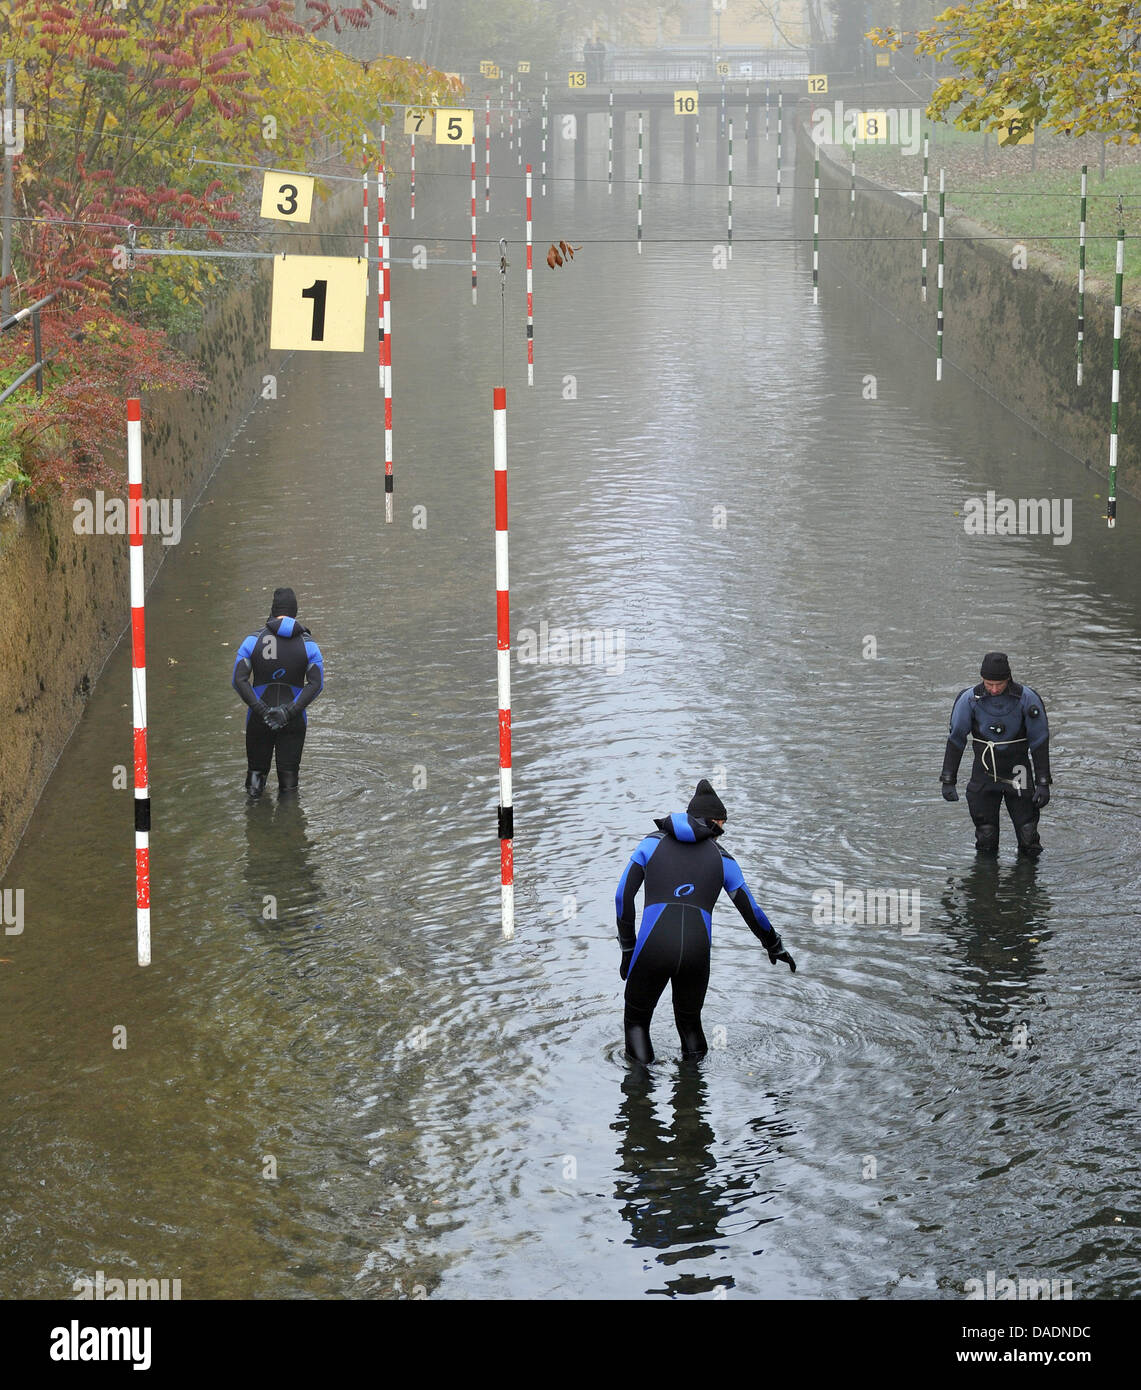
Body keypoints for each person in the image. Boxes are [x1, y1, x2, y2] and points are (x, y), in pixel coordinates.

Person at [615, 779, 796, 1064]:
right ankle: (692, 1098)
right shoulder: (723, 859)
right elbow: (752, 910)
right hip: (696, 953)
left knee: (637, 1022)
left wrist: (628, 949)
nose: (721, 834)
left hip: (653, 947)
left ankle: (639, 1095)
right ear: (714, 822)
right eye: (721, 827)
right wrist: (774, 945)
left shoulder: (650, 844)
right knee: (690, 1025)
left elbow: (622, 897)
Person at [939, 652, 1051, 856]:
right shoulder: (969, 700)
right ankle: (985, 882)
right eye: (989, 684)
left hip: (1018, 774)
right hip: (984, 774)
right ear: (982, 678)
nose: (994, 689)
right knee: (986, 836)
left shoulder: (1027, 698)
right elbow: (956, 739)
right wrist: (948, 779)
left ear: (1008, 678)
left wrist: (1043, 782)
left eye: (999, 684)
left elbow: (1040, 741)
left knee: (1028, 834)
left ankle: (1027, 882)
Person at [232, 587, 324, 797]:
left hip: (258, 718)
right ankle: (289, 824)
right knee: (290, 783)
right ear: (295, 611)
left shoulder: (252, 640)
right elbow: (316, 684)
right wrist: (288, 712)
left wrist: (262, 709)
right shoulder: (309, 645)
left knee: (255, 778)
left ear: (273, 610)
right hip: (293, 718)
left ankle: (254, 823)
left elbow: (238, 680)